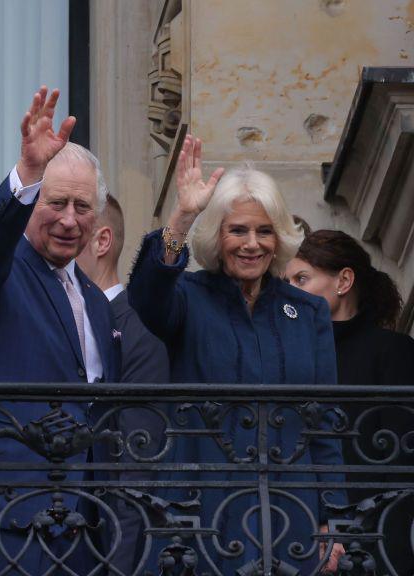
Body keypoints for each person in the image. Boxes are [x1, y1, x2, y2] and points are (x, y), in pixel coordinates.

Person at [127, 135, 345, 573]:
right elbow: (146, 296)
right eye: (238, 230)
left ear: (279, 236)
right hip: (201, 504)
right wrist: (184, 214)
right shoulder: (187, 297)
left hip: (291, 507)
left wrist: (332, 518)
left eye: (264, 231)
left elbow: (325, 422)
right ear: (218, 235)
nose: (252, 244)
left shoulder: (308, 312)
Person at [0, 87, 121, 573]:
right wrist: (27, 174)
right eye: (54, 202)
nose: (68, 219)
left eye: (82, 208)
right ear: (31, 203)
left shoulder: (97, 302)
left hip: (84, 524)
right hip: (4, 516)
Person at [285, 229, 414, 573]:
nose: (289, 292)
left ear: (343, 281)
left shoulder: (392, 352)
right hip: (299, 540)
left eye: (301, 278)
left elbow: (400, 465)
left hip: (374, 546)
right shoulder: (292, 357)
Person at [75, 195, 169, 574]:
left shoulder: (137, 326)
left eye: (76, 227)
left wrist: (118, 566)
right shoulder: (70, 319)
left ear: (102, 241)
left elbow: (136, 467)